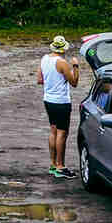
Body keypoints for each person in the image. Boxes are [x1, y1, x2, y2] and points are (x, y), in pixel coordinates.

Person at [38, 35, 80, 178]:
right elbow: (74, 83)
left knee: (53, 131)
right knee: (62, 134)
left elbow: (40, 79)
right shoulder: (62, 63)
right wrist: (75, 66)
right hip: (61, 102)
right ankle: (61, 167)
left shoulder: (44, 59)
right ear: (63, 49)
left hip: (48, 100)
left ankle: (53, 164)